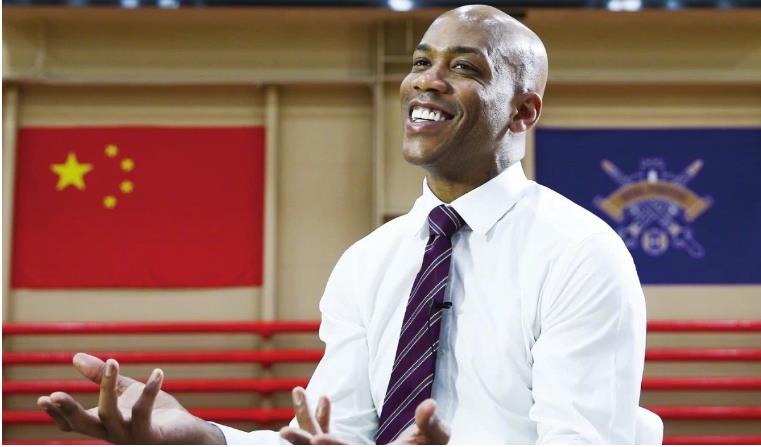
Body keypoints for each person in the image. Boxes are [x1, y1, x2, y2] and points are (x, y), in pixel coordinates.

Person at [37, 4, 646, 444]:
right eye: (421, 61)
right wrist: (204, 437)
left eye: (465, 67)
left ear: (523, 111)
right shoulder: (369, 261)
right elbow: (336, 433)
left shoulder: (579, 252)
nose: (426, 80)